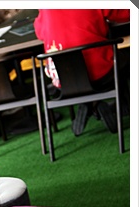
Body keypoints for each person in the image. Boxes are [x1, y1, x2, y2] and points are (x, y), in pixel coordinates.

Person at [34, 8, 130, 136]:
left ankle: (91, 104)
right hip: (100, 73)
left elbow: (39, 32)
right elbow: (124, 13)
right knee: (124, 58)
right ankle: (125, 105)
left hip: (63, 79)